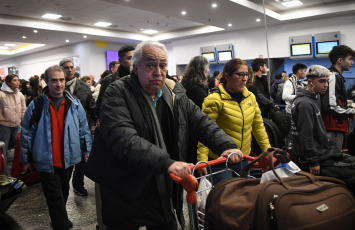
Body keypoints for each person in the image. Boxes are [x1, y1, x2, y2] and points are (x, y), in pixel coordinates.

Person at [98, 40, 241, 229]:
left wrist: (225, 145)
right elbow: (123, 138)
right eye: (150, 65)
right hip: (126, 182)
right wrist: (168, 162)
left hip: (160, 182)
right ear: (135, 68)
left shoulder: (173, 91)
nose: (158, 72)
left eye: (162, 65)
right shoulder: (117, 92)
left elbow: (200, 121)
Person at [20, 65, 92, 229]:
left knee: (64, 192)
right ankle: (61, 224)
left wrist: (87, 150)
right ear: (46, 81)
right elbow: (26, 133)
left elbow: (83, 128)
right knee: (55, 197)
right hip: (46, 160)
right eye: (54, 80)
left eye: (61, 80)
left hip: (68, 159)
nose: (59, 84)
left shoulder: (74, 103)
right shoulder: (37, 105)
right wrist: (26, 159)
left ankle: (58, 219)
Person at [197, 59, 271, 183]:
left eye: (246, 74)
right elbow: (205, 131)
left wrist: (267, 151)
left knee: (242, 196)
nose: (244, 78)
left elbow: (258, 127)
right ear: (227, 76)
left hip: (243, 159)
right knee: (225, 198)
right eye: (240, 74)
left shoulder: (250, 97)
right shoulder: (214, 100)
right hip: (219, 161)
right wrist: (202, 160)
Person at [291, 65, 355, 192]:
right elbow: (306, 135)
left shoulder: (315, 98)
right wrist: (313, 162)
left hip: (324, 153)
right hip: (312, 159)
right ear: (310, 82)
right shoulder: (305, 104)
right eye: (321, 81)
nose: (326, 85)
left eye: (326, 81)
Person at [59, 58, 96, 196]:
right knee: (65, 161)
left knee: (81, 159)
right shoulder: (57, 86)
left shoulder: (83, 86)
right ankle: (63, 188)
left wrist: (95, 120)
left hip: (81, 127)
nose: (69, 70)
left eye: (71, 67)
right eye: (66, 67)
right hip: (62, 130)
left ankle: (78, 185)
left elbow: (91, 106)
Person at [321, 45, 355, 153]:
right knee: (332, 161)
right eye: (350, 59)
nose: (352, 63)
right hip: (332, 128)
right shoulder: (333, 76)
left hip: (335, 127)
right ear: (340, 60)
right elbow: (331, 105)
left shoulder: (336, 76)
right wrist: (351, 112)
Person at [96, 45, 135, 119]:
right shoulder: (109, 80)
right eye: (129, 58)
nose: (133, 61)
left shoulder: (140, 78)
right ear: (120, 61)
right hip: (117, 120)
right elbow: (100, 105)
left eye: (135, 58)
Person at [0, 74, 26, 175]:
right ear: (8, 82)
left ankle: (19, 167)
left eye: (18, 80)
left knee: (20, 145)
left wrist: (22, 120)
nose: (17, 82)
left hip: (17, 125)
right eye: (15, 80)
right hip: (4, 125)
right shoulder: (2, 94)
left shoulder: (19, 94)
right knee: (4, 148)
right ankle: (4, 171)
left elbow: (23, 109)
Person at [282, 63, 307, 151]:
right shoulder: (290, 82)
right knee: (290, 135)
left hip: (297, 112)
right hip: (291, 113)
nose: (305, 73)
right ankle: (287, 154)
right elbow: (284, 96)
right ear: (299, 71)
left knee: (296, 135)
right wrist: (300, 97)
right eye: (304, 71)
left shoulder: (299, 82)